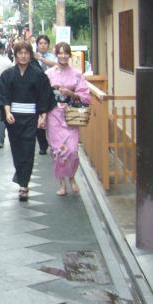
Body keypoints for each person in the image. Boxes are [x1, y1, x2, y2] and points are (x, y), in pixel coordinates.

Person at [0, 39, 56, 201]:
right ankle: (21, 175)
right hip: (13, 117)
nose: (23, 56)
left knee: (28, 149)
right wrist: (7, 112)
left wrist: (42, 116)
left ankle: (24, 184)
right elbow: (4, 95)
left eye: (26, 53)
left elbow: (44, 96)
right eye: (20, 53)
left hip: (31, 117)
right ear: (15, 55)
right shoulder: (8, 75)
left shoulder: (38, 75)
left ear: (30, 55)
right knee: (16, 149)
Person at [45, 42, 91, 196]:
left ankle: (71, 176)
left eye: (66, 53)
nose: (63, 56)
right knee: (58, 151)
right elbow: (42, 95)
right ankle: (62, 183)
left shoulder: (77, 74)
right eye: (60, 53)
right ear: (56, 54)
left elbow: (85, 96)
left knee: (72, 150)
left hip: (70, 115)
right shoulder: (49, 74)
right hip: (53, 115)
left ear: (70, 55)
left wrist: (71, 94)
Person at [34, 34, 57, 155]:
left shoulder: (53, 57)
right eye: (40, 43)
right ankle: (43, 145)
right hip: (37, 92)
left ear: (48, 45)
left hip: (51, 91)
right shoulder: (31, 57)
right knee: (38, 118)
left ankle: (53, 142)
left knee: (52, 117)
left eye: (45, 43)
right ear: (37, 45)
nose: (43, 45)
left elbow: (56, 66)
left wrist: (41, 59)